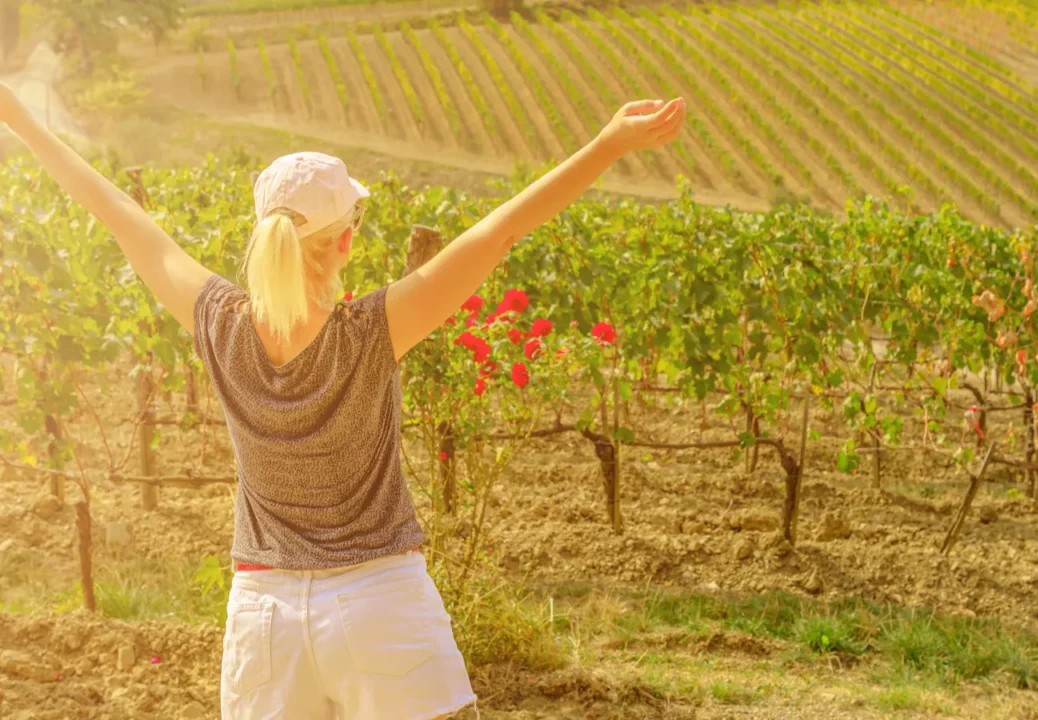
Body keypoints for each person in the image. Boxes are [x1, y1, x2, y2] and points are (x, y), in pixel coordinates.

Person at [0, 81, 686, 719]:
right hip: (379, 603)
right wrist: (608, 144)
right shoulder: (372, 331)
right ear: (347, 240)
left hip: (263, 618)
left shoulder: (219, 323)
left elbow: (119, 215)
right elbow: (498, 232)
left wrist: (18, 115)